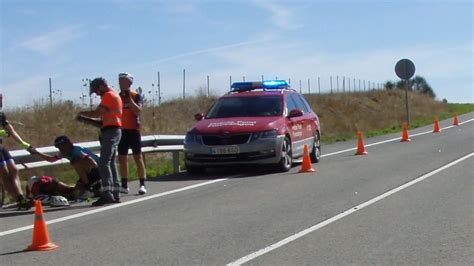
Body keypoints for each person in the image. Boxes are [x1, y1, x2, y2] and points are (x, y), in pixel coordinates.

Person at [78, 77, 122, 206]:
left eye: (96, 91)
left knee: (103, 163)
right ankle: (115, 193)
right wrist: (84, 119)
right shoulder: (113, 95)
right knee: (111, 163)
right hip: (113, 130)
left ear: (102, 86)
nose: (96, 94)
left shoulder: (108, 95)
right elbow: (103, 120)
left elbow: (97, 113)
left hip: (111, 132)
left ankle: (107, 194)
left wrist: (82, 114)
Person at [28, 136, 102, 197]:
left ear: (69, 144)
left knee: (75, 162)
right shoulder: (63, 153)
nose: (60, 149)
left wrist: (98, 174)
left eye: (62, 146)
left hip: (97, 170)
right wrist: (37, 152)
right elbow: (51, 159)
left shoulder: (77, 150)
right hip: (88, 174)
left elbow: (90, 160)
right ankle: (92, 189)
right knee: (75, 194)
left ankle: (90, 186)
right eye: (59, 147)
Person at [117, 72, 147, 195]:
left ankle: (142, 184)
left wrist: (129, 99)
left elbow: (138, 111)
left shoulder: (135, 96)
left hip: (134, 130)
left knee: (138, 158)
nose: (121, 84)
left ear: (129, 82)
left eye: (123, 81)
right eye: (119, 81)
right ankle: (124, 185)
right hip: (121, 131)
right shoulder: (117, 96)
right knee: (122, 159)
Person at [0, 111, 34, 209]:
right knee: (4, 172)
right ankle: (18, 199)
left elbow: (11, 131)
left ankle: (21, 197)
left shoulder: (1, 115)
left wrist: (24, 144)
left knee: (14, 170)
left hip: (1, 147)